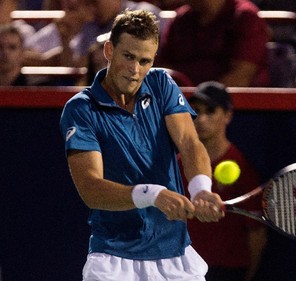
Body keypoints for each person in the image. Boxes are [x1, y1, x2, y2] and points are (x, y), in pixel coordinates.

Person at [60, 9, 224, 281]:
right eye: (128, 57)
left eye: (145, 61)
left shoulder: (161, 84)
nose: (135, 70)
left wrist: (201, 189)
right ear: (109, 50)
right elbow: (90, 188)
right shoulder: (81, 109)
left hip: (175, 257)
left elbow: (189, 141)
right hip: (114, 258)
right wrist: (152, 194)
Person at [179, 81, 268, 281]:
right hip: (183, 269)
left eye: (210, 111)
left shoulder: (242, 167)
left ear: (227, 115)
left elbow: (257, 234)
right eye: (196, 111)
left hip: (226, 272)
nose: (201, 119)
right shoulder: (177, 164)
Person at [155, 0, 270, 87]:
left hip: (234, 109)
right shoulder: (180, 19)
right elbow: (163, 67)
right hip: (178, 103)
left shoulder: (246, 17)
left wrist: (202, 103)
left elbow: (241, 75)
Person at [24, 0, 162, 68]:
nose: (91, 6)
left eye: (94, 1)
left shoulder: (142, 13)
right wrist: (65, 39)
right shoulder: (91, 23)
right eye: (88, 2)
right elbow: (76, 64)